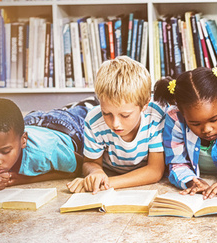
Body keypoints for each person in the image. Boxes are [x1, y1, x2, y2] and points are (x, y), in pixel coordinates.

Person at [67, 56, 165, 193]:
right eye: (106, 113)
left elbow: (155, 171)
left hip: (117, 177)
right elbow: (90, 162)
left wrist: (107, 182)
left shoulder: (155, 116)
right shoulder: (94, 120)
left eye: (125, 115)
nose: (115, 124)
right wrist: (96, 173)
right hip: (110, 169)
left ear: (144, 105)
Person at [159, 62, 217, 199]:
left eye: (214, 120)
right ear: (183, 113)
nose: (207, 130)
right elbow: (176, 162)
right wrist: (192, 181)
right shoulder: (175, 117)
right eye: (195, 123)